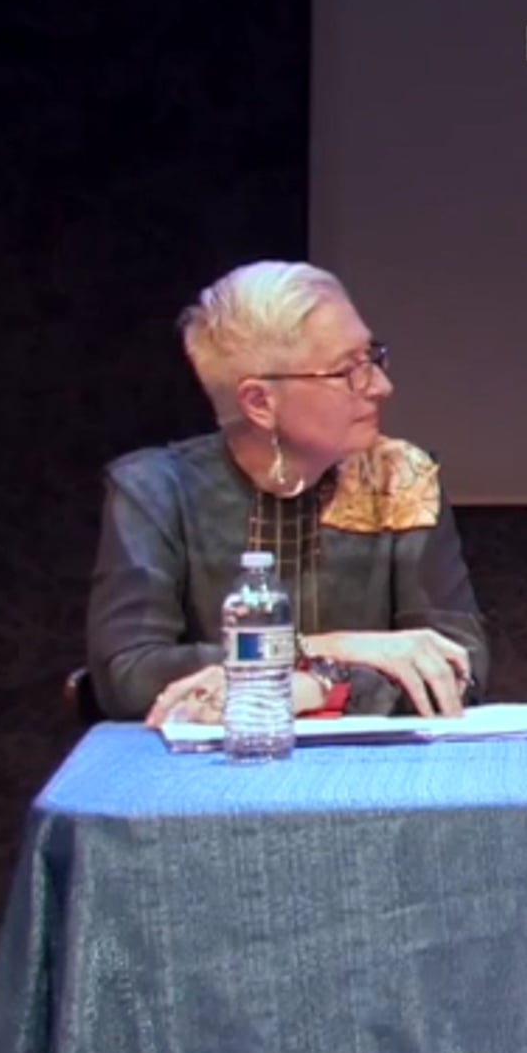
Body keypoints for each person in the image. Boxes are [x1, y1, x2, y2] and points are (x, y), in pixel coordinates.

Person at [89, 260, 487, 725]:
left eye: (372, 358)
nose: (381, 386)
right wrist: (327, 649)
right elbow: (128, 674)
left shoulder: (402, 479)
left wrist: (319, 686)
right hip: (212, 764)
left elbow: (460, 667)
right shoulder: (155, 491)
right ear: (260, 402)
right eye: (348, 370)